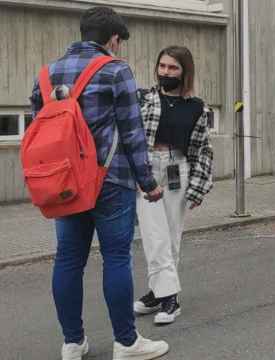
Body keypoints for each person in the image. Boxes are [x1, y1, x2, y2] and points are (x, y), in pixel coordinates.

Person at [29, 6, 169, 360]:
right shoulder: (115, 70)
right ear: (114, 39)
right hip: (111, 179)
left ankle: (72, 343)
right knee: (116, 258)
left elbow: (40, 129)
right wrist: (148, 182)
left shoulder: (47, 74)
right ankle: (126, 343)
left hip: (66, 184)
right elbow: (132, 131)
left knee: (68, 259)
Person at [133, 46, 214, 325]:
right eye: (162, 66)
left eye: (172, 68)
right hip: (148, 170)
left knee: (171, 234)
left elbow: (203, 148)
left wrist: (198, 186)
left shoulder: (197, 107)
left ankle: (159, 293)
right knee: (154, 234)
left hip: (178, 168)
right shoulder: (144, 99)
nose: (165, 72)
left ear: (184, 72)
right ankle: (169, 297)